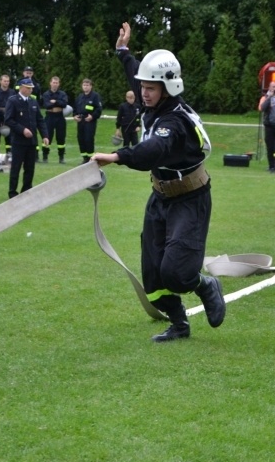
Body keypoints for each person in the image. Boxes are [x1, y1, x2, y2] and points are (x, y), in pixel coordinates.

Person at [91, 21, 225, 343]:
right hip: (160, 198)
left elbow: (154, 149)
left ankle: (206, 285)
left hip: (190, 200)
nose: (144, 93)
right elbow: (136, 73)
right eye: (143, 87)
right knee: (152, 275)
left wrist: (118, 156)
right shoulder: (153, 99)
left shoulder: (174, 121)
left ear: (168, 87)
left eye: (150, 88)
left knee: (177, 273)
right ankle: (179, 325)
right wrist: (123, 51)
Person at [4, 78, 49, 197]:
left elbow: (40, 120)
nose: (31, 90)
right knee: (16, 167)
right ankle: (12, 192)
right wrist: (22, 129)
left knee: (30, 168)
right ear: (22, 88)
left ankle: (27, 190)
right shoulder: (13, 101)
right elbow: (8, 120)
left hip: (31, 141)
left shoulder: (33, 102)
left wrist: (45, 135)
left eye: (31, 88)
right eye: (28, 88)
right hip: (18, 141)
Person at [74, 78, 103, 164]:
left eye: (87, 85)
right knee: (81, 139)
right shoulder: (80, 97)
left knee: (88, 139)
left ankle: (91, 159)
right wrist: (75, 116)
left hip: (89, 121)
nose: (85, 87)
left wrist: (92, 116)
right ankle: (84, 158)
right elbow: (75, 108)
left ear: (91, 86)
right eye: (84, 85)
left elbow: (99, 109)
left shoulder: (95, 96)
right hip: (81, 121)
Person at [41, 76, 69, 163]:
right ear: (50, 83)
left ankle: (61, 157)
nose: (55, 84)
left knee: (61, 137)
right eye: (53, 82)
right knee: (47, 136)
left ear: (59, 84)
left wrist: (55, 102)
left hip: (60, 117)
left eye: (56, 83)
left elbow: (64, 104)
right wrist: (57, 103)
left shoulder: (62, 94)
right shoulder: (46, 94)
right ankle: (45, 156)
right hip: (49, 116)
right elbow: (46, 105)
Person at [0, 74, 15, 153]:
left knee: (9, 137)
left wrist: (8, 112)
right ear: (0, 81)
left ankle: (9, 154)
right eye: (5, 81)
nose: (6, 83)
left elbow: (15, 105)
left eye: (8, 81)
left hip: (9, 118)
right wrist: (2, 111)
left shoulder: (12, 92)